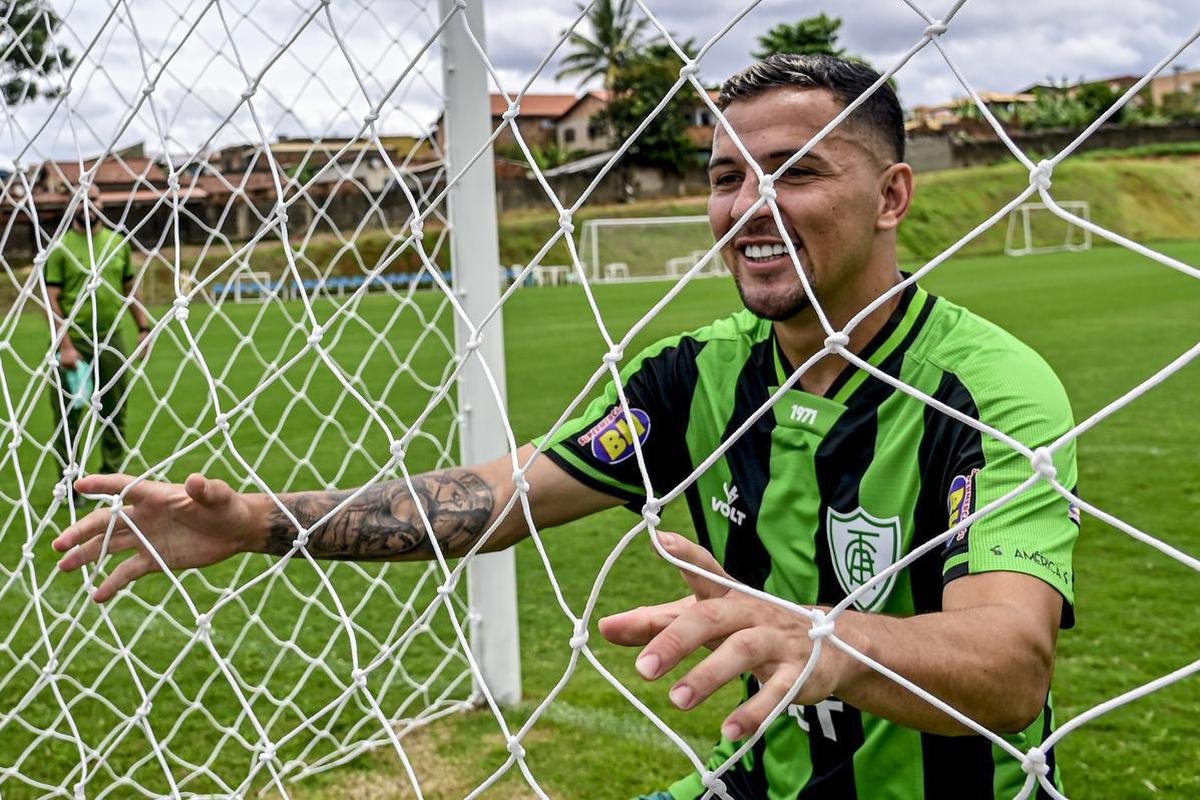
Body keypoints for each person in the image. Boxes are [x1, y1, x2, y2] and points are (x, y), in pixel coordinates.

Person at [52, 54, 1079, 799]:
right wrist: (262, 522)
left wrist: (829, 640)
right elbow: (499, 497)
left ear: (893, 193)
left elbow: (1010, 660)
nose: (751, 204)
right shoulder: (700, 375)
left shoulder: (988, 388)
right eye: (727, 176)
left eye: (798, 169)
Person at [44, 197, 151, 478]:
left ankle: (111, 476)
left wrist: (143, 327)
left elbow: (130, 289)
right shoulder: (60, 249)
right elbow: (50, 300)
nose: (87, 204)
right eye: (80, 199)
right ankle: (70, 481)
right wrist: (64, 346)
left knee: (116, 412)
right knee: (69, 418)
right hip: (72, 341)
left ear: (102, 203)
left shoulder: (118, 242)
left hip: (110, 339)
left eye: (93, 197)